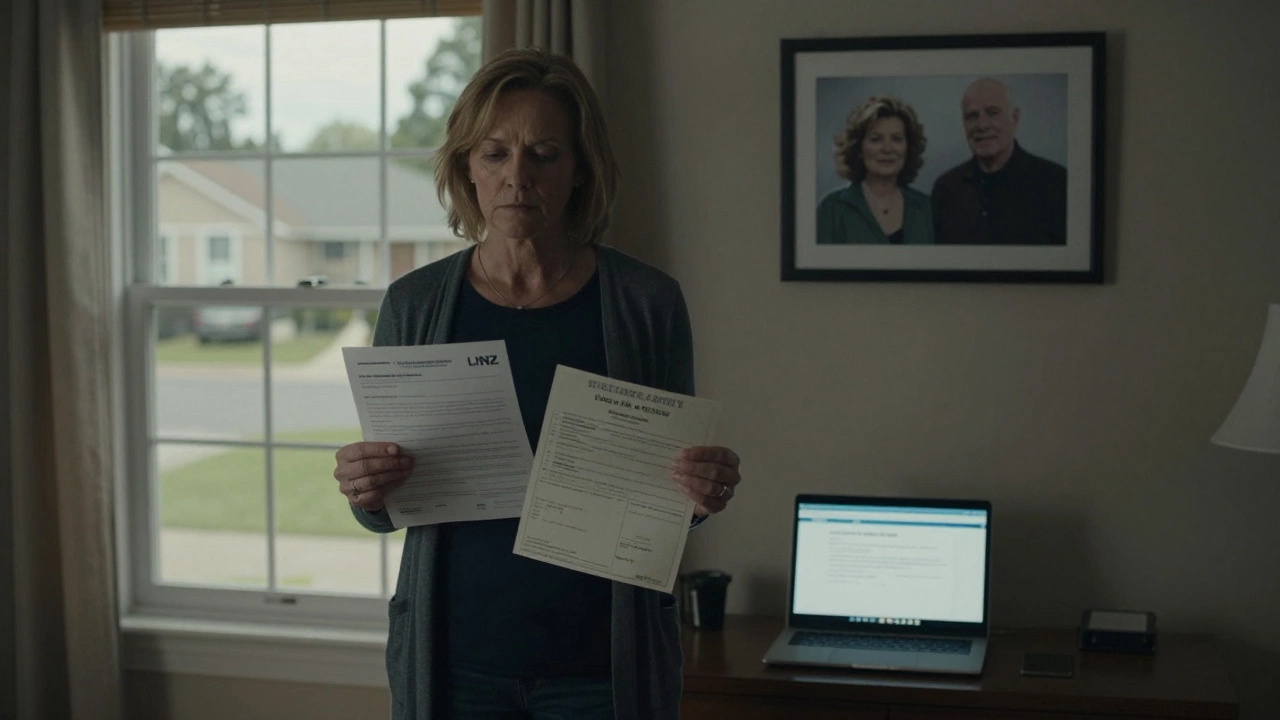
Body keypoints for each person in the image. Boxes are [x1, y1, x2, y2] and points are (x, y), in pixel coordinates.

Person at [330, 48, 743, 720]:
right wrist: (367, 490)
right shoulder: (416, 303)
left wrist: (699, 491)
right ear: (468, 166)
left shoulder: (646, 303)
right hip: (455, 667)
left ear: (579, 170)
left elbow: (672, 497)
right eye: (495, 154)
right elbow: (387, 504)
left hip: (603, 672)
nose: (517, 176)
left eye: (544, 154)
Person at [930, 78, 1067, 245]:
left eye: (993, 113)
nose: (982, 125)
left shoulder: (1057, 183)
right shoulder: (946, 189)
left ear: (1014, 119)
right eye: (972, 116)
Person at [817, 94, 934, 245]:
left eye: (896, 139)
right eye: (875, 139)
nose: (887, 148)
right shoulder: (831, 209)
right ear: (858, 149)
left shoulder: (926, 208)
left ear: (908, 147)